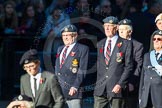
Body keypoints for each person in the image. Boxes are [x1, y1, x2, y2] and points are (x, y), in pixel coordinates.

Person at [93, 16, 133, 108]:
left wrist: (120, 84)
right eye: (105, 26)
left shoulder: (126, 43)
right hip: (101, 88)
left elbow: (128, 66)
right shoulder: (100, 43)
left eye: (109, 26)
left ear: (117, 27)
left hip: (116, 87)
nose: (106, 28)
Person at [55, 24, 89, 108]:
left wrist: (75, 86)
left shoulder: (83, 49)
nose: (65, 38)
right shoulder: (60, 48)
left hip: (73, 91)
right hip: (59, 90)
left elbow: (82, 70)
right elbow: (57, 68)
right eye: (63, 35)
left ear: (75, 35)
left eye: (68, 35)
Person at [118, 18, 144, 108]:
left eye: (123, 30)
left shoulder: (137, 45)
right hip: (115, 82)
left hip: (129, 83)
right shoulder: (114, 44)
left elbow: (138, 65)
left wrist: (132, 82)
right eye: (119, 30)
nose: (120, 32)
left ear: (130, 31)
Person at [139, 30, 162, 108]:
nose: (156, 41)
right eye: (154, 39)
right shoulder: (147, 56)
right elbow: (143, 77)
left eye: (159, 39)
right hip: (146, 96)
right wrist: (140, 96)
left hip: (159, 96)